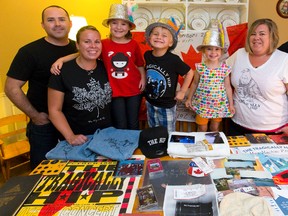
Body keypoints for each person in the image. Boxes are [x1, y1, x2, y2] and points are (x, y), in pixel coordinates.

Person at [51, 4, 145, 130]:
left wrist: (143, 79)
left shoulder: (133, 44)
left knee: (133, 122)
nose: (118, 27)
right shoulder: (103, 44)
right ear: (110, 25)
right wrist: (62, 59)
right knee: (120, 123)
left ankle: (133, 148)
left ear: (129, 27)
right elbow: (83, 53)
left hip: (133, 89)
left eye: (123, 24)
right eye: (115, 23)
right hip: (115, 91)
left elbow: (140, 64)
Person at [4, 5, 77, 169]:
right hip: (45, 126)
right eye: (51, 20)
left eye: (61, 19)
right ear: (43, 25)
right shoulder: (29, 52)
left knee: (74, 171)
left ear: (70, 23)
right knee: (43, 173)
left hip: (74, 123)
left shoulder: (79, 48)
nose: (57, 24)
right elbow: (11, 88)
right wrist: (35, 116)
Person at [48, 25, 112, 145]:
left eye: (97, 42)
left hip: (107, 136)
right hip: (79, 140)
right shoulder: (62, 72)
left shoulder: (107, 67)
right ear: (77, 45)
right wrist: (70, 136)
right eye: (87, 41)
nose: (93, 46)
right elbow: (54, 110)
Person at [228, 18, 288, 136]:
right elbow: (218, 73)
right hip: (237, 127)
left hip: (274, 131)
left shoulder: (284, 59)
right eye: (253, 34)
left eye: (262, 34)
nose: (256, 38)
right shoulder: (239, 55)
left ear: (272, 37)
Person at [144, 18, 194, 132]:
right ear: (149, 38)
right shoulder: (147, 55)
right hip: (150, 102)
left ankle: (167, 150)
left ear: (171, 43)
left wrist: (182, 91)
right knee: (153, 131)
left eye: (164, 35)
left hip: (167, 105)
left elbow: (190, 72)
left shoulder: (173, 60)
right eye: (155, 34)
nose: (159, 37)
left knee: (168, 133)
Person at [185, 20, 235, 132]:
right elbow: (194, 83)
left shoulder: (224, 69)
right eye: (209, 49)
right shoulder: (199, 67)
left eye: (217, 49)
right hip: (202, 104)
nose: (213, 52)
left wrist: (231, 104)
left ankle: (213, 148)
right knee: (202, 127)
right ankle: (202, 147)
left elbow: (227, 87)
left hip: (219, 104)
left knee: (215, 128)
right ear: (203, 51)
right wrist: (189, 98)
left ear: (221, 51)